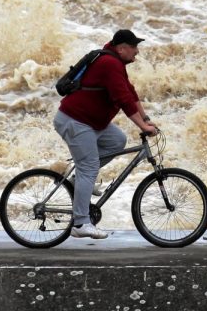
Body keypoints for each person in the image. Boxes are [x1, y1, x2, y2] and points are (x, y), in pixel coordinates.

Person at [53, 28, 159, 240]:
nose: (137, 52)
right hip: (76, 121)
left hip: (91, 122)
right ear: (122, 49)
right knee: (89, 167)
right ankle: (81, 223)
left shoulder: (115, 63)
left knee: (117, 140)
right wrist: (143, 127)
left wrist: (145, 119)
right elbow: (123, 99)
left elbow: (130, 93)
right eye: (134, 47)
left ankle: (76, 181)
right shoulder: (110, 64)